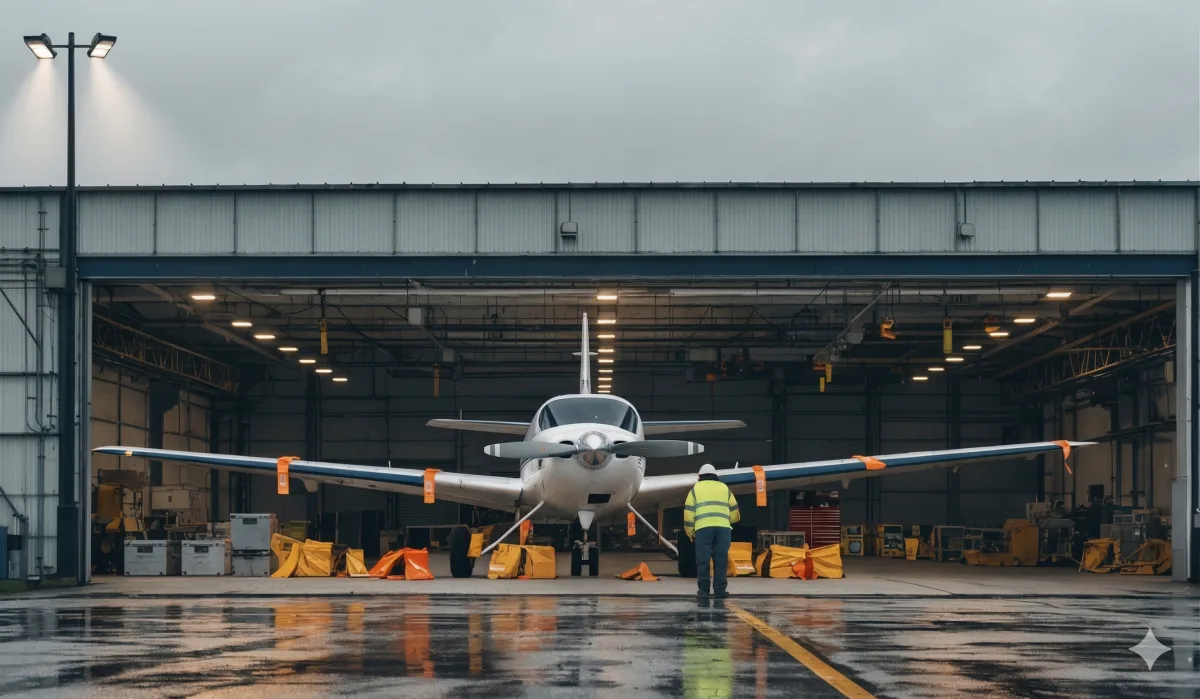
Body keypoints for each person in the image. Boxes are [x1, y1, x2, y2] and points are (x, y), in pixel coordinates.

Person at [683, 463, 740, 598]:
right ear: (715, 476)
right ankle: (720, 591)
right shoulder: (724, 488)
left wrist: (690, 532)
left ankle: (703, 591)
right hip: (723, 529)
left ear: (699, 476)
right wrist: (726, 521)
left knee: (703, 560)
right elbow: (735, 512)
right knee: (721, 560)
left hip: (703, 529)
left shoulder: (695, 489)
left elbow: (688, 513)